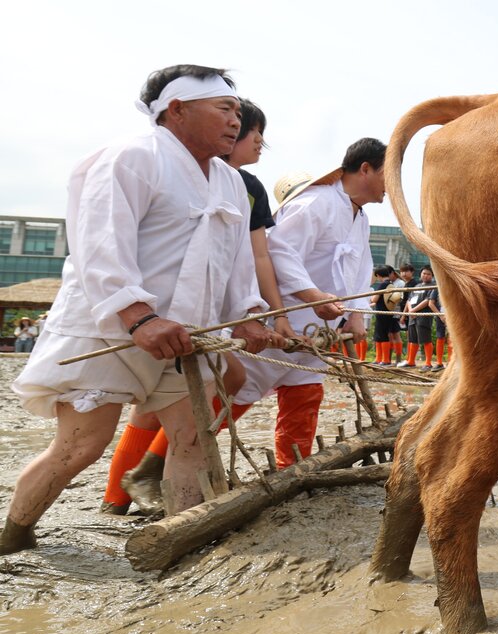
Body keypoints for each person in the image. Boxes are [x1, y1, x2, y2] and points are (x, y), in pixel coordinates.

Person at [2, 65, 275, 554]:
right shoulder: (130, 157)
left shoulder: (231, 183)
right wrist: (139, 317)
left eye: (238, 111)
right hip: (108, 325)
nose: (236, 120)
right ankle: (15, 532)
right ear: (177, 110)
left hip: (186, 332)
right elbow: (99, 243)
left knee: (193, 437)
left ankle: (180, 539)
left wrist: (250, 314)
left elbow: (236, 265)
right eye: (224, 108)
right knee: (81, 446)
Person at [104, 98, 292, 514]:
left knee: (211, 387)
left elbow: (252, 257)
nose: (259, 144)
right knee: (149, 410)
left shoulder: (244, 186)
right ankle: (129, 489)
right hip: (154, 313)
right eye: (253, 134)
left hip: (208, 312)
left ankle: (137, 485)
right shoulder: (162, 169)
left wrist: (260, 314)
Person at [233, 138, 386, 467]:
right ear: (365, 169)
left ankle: (292, 469)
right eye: (391, 173)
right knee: (233, 394)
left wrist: (357, 317)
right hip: (282, 317)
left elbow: (361, 271)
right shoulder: (315, 202)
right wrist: (311, 295)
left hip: (320, 327)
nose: (393, 185)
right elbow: (278, 251)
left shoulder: (360, 218)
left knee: (305, 394)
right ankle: (162, 465)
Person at [370, 264, 404, 365]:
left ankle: (385, 359)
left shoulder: (382, 285)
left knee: (382, 336)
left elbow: (375, 299)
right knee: (381, 335)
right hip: (389, 313)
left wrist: (371, 298)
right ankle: (380, 358)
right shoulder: (391, 283)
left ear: (378, 275)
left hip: (382, 313)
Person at [403, 266, 436, 369]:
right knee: (413, 339)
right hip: (412, 316)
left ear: (432, 276)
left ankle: (428, 363)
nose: (425, 275)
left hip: (423, 316)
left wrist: (414, 310)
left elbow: (427, 301)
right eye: (424, 273)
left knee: (426, 339)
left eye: (428, 274)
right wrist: (410, 311)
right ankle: (411, 361)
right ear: (420, 274)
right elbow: (409, 300)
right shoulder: (417, 286)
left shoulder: (433, 286)